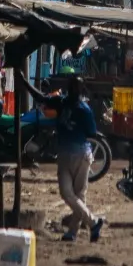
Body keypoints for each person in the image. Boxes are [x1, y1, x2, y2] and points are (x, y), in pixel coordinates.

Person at [51, 75, 104, 242]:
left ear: (80, 90)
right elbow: (42, 98)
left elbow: (91, 133)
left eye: (76, 87)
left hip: (80, 155)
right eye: (72, 87)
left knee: (78, 195)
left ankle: (72, 233)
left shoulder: (83, 109)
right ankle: (93, 222)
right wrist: (24, 83)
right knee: (67, 193)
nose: (73, 90)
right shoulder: (63, 103)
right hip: (67, 154)